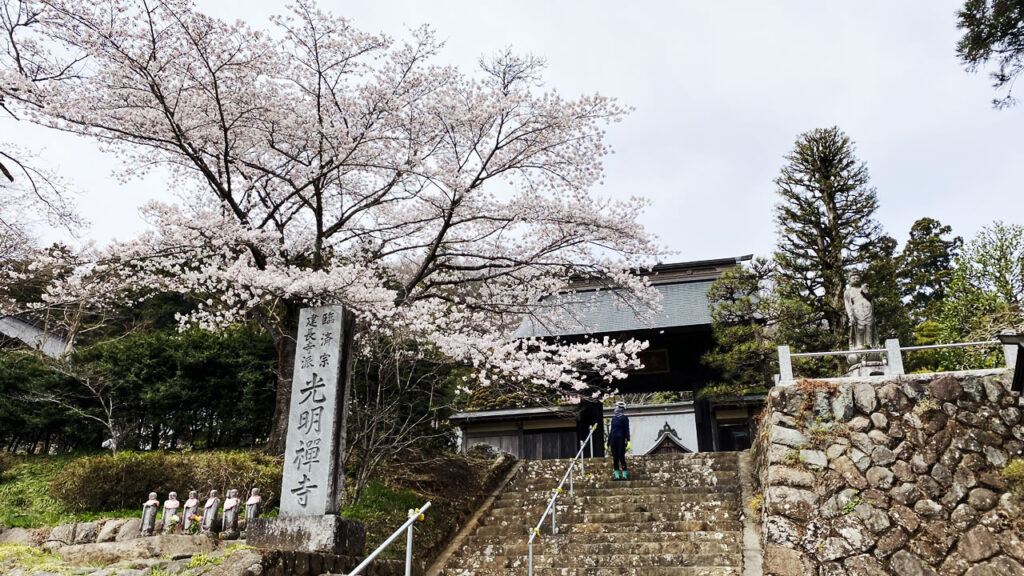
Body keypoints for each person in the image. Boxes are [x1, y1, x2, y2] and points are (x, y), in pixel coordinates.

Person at [609, 402, 631, 480]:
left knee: (621, 457)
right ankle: (617, 476)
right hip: (613, 439)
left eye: (616, 407)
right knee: (615, 458)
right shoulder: (613, 418)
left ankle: (624, 475)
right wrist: (608, 442)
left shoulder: (624, 418)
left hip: (621, 439)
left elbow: (627, 429)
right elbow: (611, 430)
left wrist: (628, 440)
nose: (615, 409)